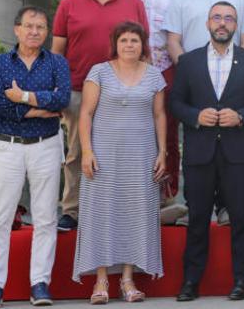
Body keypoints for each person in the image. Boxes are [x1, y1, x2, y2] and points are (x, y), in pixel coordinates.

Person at [171, 1, 244, 302]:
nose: (222, 23)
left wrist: (241, 116)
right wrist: (194, 117)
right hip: (199, 153)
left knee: (240, 219)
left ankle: (241, 282)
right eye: (217, 18)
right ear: (208, 24)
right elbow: (175, 103)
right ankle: (190, 282)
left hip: (237, 153)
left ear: (236, 25)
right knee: (198, 220)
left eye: (228, 18)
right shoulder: (188, 62)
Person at [52, 0, 148, 232]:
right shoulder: (69, 4)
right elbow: (57, 53)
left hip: (123, 91)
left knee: (123, 152)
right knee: (78, 152)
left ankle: (118, 210)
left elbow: (143, 51)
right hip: (79, 88)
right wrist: (58, 92)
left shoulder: (133, 3)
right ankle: (71, 210)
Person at [72, 22, 167, 303]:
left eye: (134, 41)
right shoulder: (99, 72)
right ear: (115, 44)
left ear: (143, 45)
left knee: (136, 213)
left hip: (140, 155)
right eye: (124, 40)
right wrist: (87, 152)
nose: (129, 45)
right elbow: (86, 114)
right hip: (104, 154)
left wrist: (162, 151)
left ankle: (128, 279)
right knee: (101, 212)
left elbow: (160, 115)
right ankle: (100, 279)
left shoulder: (154, 76)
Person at [164, 0, 244, 226]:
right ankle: (196, 206)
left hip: (233, 83)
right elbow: (173, 41)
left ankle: (227, 206)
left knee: (230, 149)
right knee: (197, 147)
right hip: (195, 83)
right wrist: (192, 72)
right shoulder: (182, 0)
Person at [0, 6, 71, 307]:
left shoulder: (57, 62)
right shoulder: (1, 63)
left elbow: (63, 98)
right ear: (17, 29)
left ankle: (40, 283)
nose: (35, 32)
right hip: (7, 147)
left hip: (46, 145)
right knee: (0, 218)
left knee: (45, 217)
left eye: (41, 27)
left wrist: (23, 98)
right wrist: (40, 108)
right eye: (29, 26)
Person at [117, 0, 187, 225]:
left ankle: (167, 193)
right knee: (132, 131)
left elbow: (178, 28)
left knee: (168, 132)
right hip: (131, 68)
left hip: (165, 66)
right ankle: (130, 194)